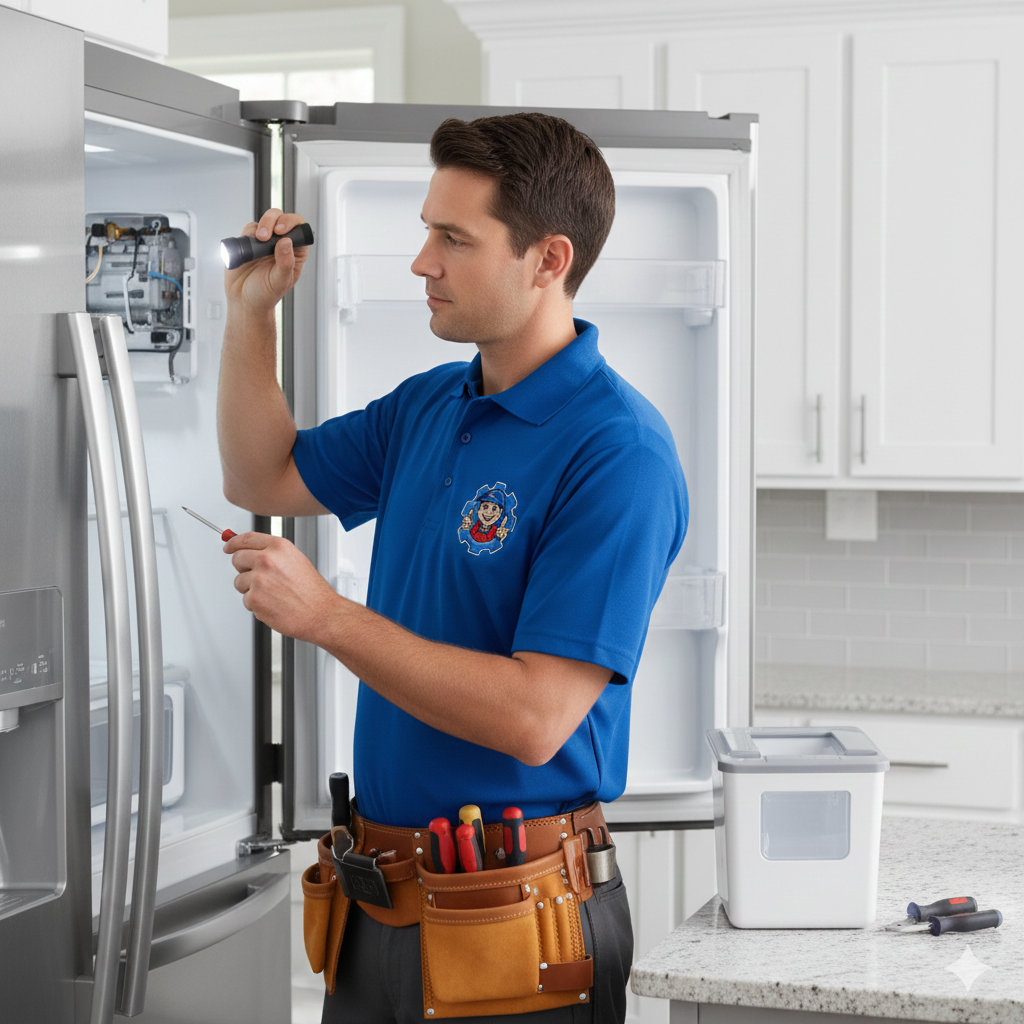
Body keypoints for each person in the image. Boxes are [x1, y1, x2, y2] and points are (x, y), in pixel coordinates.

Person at [217, 111, 688, 1024]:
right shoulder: (432, 404)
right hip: (377, 900)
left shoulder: (617, 452)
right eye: (426, 230)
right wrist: (250, 317)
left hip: (519, 917)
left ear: (548, 260)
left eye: (453, 238)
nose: (421, 261)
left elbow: (535, 716)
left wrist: (328, 619)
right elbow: (259, 472)